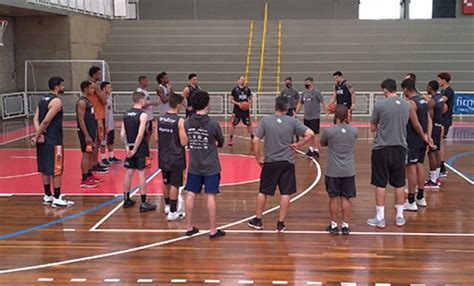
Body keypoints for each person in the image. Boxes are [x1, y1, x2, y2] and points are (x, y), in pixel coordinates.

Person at [247, 96, 314, 233]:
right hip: (287, 162)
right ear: (287, 108)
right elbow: (310, 134)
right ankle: (280, 224)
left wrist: (258, 158)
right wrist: (299, 144)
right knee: (285, 193)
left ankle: (258, 220)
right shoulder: (292, 121)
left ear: (275, 106)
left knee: (263, 191)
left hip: (271, 161)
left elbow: (255, 141)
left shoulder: (266, 120)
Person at [367, 79, 410, 229]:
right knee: (399, 183)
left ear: (385, 89)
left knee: (380, 183)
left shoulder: (380, 104)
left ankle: (380, 218)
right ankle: (399, 216)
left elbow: (372, 127)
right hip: (400, 147)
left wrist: (383, 126)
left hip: (382, 148)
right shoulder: (406, 104)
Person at [184, 90, 226, 239]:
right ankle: (213, 230)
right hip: (211, 165)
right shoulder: (213, 124)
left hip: (194, 164)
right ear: (207, 104)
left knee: (190, 194)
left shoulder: (187, 122)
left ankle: (189, 227)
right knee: (211, 196)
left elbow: (187, 140)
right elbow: (221, 141)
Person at [31, 76, 74, 207]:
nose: (63, 88)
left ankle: (47, 195)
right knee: (57, 169)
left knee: (45, 168)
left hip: (44, 139)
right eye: (62, 85)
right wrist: (38, 135)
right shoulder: (56, 102)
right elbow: (46, 121)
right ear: (57, 87)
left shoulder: (42, 100)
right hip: (53, 140)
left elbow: (36, 119)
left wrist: (39, 134)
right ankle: (56, 197)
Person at [320, 105, 358, 235]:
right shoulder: (354, 131)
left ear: (335, 115)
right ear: (347, 115)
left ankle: (334, 225)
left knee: (333, 198)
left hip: (333, 170)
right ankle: (346, 225)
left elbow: (323, 143)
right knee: (346, 198)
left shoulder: (329, 131)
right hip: (348, 170)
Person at [121, 91, 157, 212]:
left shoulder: (126, 114)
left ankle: (126, 199)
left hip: (129, 146)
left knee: (129, 172)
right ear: (141, 101)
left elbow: (122, 133)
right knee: (141, 173)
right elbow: (141, 135)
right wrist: (135, 149)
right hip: (139, 148)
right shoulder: (143, 115)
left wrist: (128, 148)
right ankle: (143, 202)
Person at [157, 94, 188, 221]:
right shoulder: (179, 121)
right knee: (175, 184)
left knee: (166, 182)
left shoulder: (160, 118)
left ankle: (167, 206)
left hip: (163, 155)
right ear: (178, 105)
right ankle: (173, 212)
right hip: (176, 156)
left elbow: (156, 138)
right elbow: (183, 142)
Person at [402, 78, 430, 211]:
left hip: (413, 139)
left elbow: (416, 123)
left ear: (406, 89)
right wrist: (427, 136)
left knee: (411, 168)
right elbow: (429, 120)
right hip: (422, 139)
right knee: (420, 165)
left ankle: (411, 200)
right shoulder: (424, 100)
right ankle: (421, 197)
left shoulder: (410, 103)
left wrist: (422, 134)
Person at [295, 77, 327, 158]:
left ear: (311, 83)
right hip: (307, 117)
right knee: (309, 134)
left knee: (315, 133)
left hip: (315, 116)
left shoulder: (316, 92)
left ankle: (316, 150)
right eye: (305, 83)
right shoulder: (304, 93)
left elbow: (323, 101)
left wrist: (326, 111)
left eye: (307, 82)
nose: (306, 84)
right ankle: (310, 149)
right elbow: (300, 103)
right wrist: (296, 112)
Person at [76, 81, 100, 188]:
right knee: (86, 154)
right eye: (91, 88)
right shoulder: (81, 102)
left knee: (90, 154)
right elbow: (81, 120)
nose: (93, 90)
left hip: (91, 131)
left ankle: (89, 174)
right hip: (85, 133)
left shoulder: (88, 101)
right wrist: (86, 135)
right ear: (85, 89)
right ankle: (84, 178)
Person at [88, 66, 109, 174]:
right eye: (99, 74)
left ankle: (95, 162)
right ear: (94, 74)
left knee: (98, 140)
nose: (100, 76)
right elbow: (104, 100)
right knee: (97, 140)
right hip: (97, 116)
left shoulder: (91, 86)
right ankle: (93, 163)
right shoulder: (93, 86)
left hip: (98, 115)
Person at [424, 80, 443, 189]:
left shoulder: (432, 102)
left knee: (431, 153)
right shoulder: (439, 98)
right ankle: (436, 178)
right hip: (439, 126)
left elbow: (429, 119)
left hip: (434, 128)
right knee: (437, 152)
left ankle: (432, 181)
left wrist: (428, 134)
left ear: (430, 88)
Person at [437, 72, 455, 177]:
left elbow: (440, 101)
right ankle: (440, 167)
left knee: (440, 143)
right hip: (441, 119)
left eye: (439, 79)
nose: (439, 81)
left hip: (445, 120)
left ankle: (442, 167)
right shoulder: (442, 91)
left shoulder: (449, 91)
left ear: (444, 80)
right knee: (438, 143)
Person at [228, 76, 254, 146]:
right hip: (237, 110)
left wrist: (249, 103)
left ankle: (252, 137)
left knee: (249, 124)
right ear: (238, 81)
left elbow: (251, 98)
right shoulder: (235, 89)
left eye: (244, 80)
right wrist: (238, 104)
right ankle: (230, 138)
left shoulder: (247, 89)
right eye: (241, 80)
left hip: (245, 110)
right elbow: (231, 100)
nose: (243, 81)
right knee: (233, 124)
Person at [100, 81, 121, 166]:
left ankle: (111, 157)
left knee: (111, 141)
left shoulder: (108, 98)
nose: (110, 89)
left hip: (110, 124)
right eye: (109, 87)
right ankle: (103, 158)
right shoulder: (102, 99)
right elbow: (103, 114)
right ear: (104, 88)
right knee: (103, 142)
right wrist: (105, 126)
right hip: (105, 125)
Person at [136, 75, 157, 146]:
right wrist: (152, 103)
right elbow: (141, 104)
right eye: (146, 81)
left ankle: (146, 149)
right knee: (144, 133)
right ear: (141, 81)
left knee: (149, 132)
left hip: (149, 116)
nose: (148, 82)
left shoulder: (145, 91)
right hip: (144, 116)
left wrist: (152, 115)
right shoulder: (139, 91)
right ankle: (143, 149)